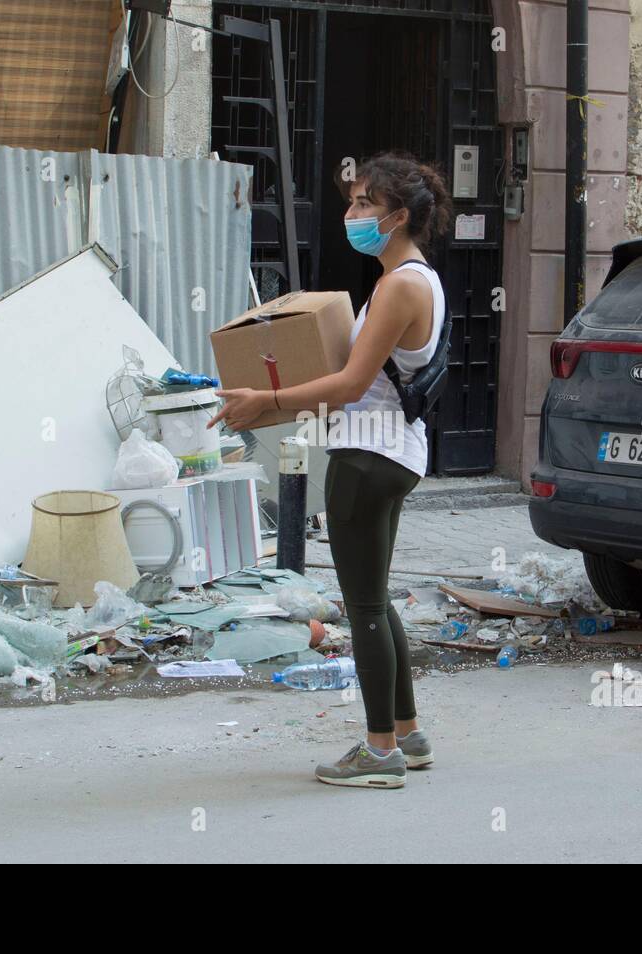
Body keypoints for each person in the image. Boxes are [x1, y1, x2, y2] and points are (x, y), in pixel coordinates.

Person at [208, 151, 452, 789]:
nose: (352, 214)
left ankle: (378, 753)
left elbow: (348, 385)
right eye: (354, 201)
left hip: (367, 458)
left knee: (364, 604)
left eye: (365, 203)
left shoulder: (400, 284)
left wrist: (266, 402)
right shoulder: (416, 278)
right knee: (376, 596)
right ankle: (407, 733)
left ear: (398, 215)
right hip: (393, 454)